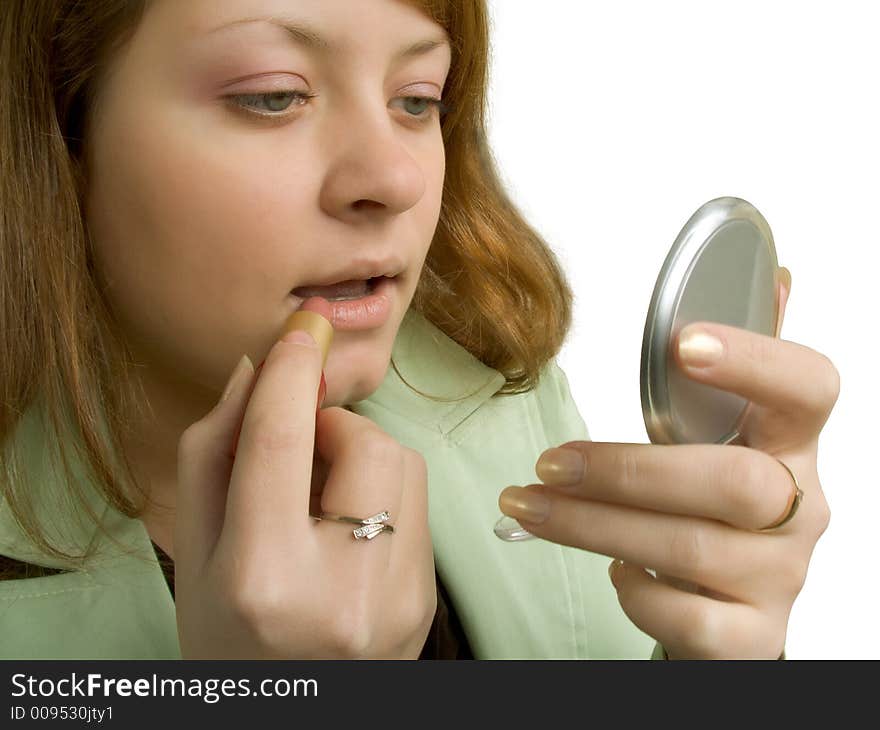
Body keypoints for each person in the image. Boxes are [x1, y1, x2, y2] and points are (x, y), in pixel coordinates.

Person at [0, 0, 837, 660]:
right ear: (62, 132)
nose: (395, 177)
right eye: (273, 95)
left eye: (417, 99)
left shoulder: (498, 392)